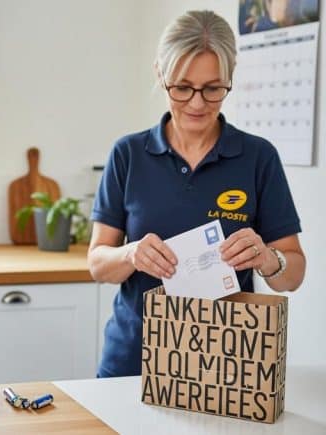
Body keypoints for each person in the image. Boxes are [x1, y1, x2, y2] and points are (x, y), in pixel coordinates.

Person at [88, 10, 306, 378]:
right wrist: (131, 253)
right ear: (161, 74)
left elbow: (294, 273)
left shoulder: (258, 157)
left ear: (230, 78)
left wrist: (268, 259)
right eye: (183, 87)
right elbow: (98, 264)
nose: (197, 103)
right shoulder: (128, 154)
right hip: (133, 361)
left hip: (226, 365)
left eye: (213, 88)